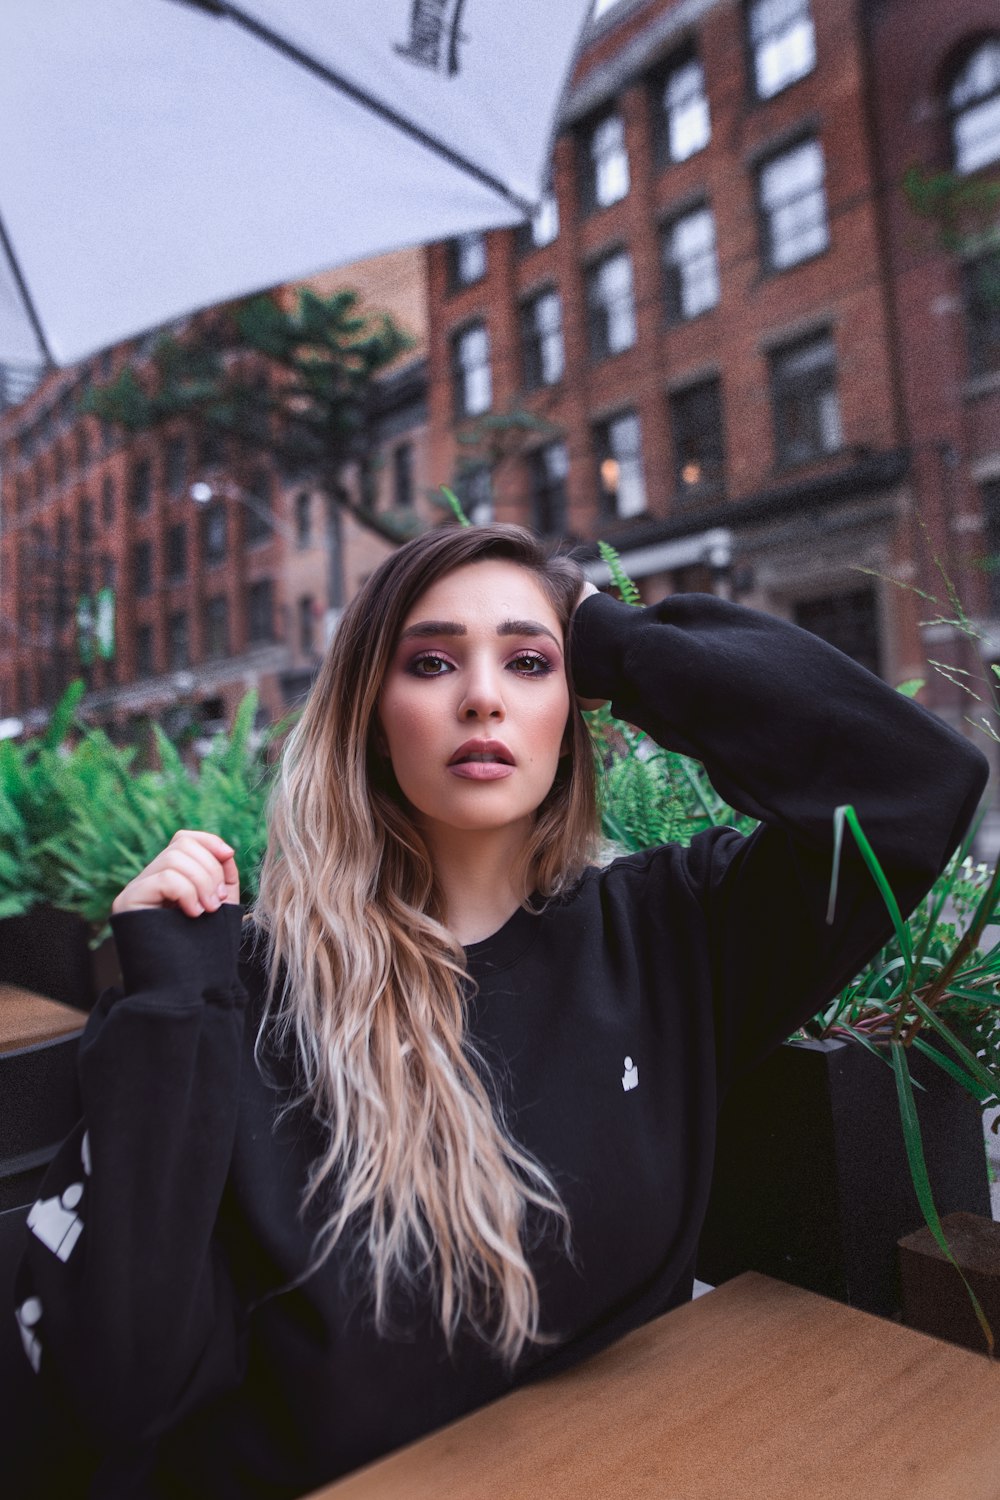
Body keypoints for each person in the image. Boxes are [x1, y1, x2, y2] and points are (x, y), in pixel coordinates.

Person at [13, 523, 988, 1498]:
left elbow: (910, 783)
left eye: (527, 663)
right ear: (365, 713)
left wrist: (606, 635)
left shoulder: (670, 934)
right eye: (431, 661)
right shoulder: (233, 994)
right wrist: (167, 1006)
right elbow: (115, 1386)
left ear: (575, 705)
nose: (482, 694)